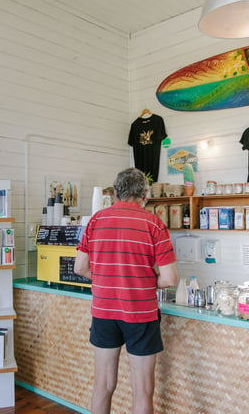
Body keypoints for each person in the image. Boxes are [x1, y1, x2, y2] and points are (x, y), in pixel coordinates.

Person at [75, 167, 178, 414]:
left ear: (116, 193)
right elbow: (169, 279)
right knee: (142, 390)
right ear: (144, 193)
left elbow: (80, 267)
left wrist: (107, 279)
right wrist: (140, 280)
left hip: (103, 313)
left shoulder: (95, 221)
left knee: (103, 384)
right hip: (140, 315)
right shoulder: (154, 223)